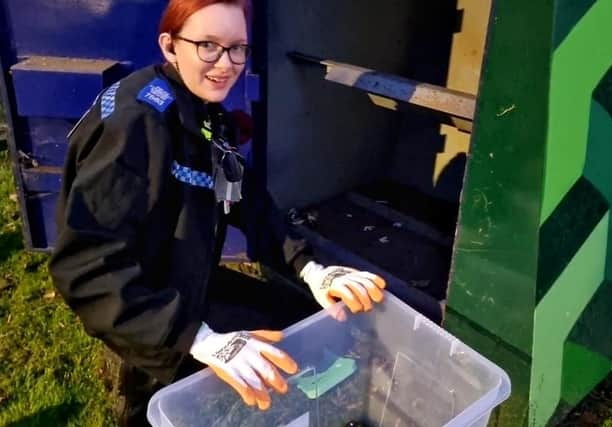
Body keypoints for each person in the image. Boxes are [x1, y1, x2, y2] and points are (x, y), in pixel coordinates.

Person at [48, 0, 387, 425]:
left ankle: (147, 380)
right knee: (168, 403)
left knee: (299, 317)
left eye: (238, 48)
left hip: (183, 273)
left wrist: (310, 269)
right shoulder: (138, 126)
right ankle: (147, 390)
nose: (226, 65)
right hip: (141, 296)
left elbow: (245, 199)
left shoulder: (199, 109)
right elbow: (84, 270)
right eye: (208, 46)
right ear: (170, 46)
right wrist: (200, 339)